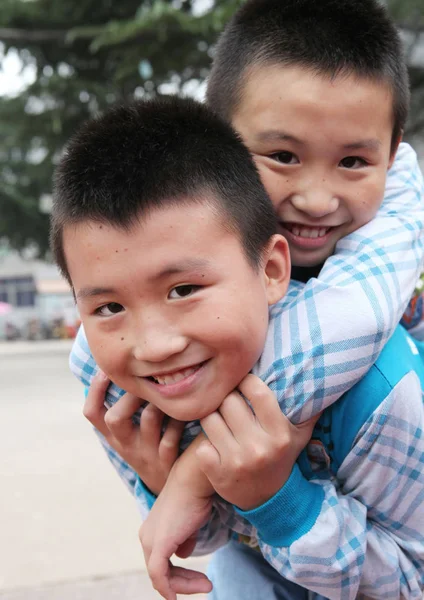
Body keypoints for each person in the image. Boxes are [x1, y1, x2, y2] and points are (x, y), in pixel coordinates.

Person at [52, 95, 424, 600]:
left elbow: (414, 581)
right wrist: (160, 484)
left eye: (183, 290)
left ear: (272, 271)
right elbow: (209, 537)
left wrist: (278, 502)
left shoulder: (377, 395)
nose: (155, 346)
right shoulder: (117, 396)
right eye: (109, 308)